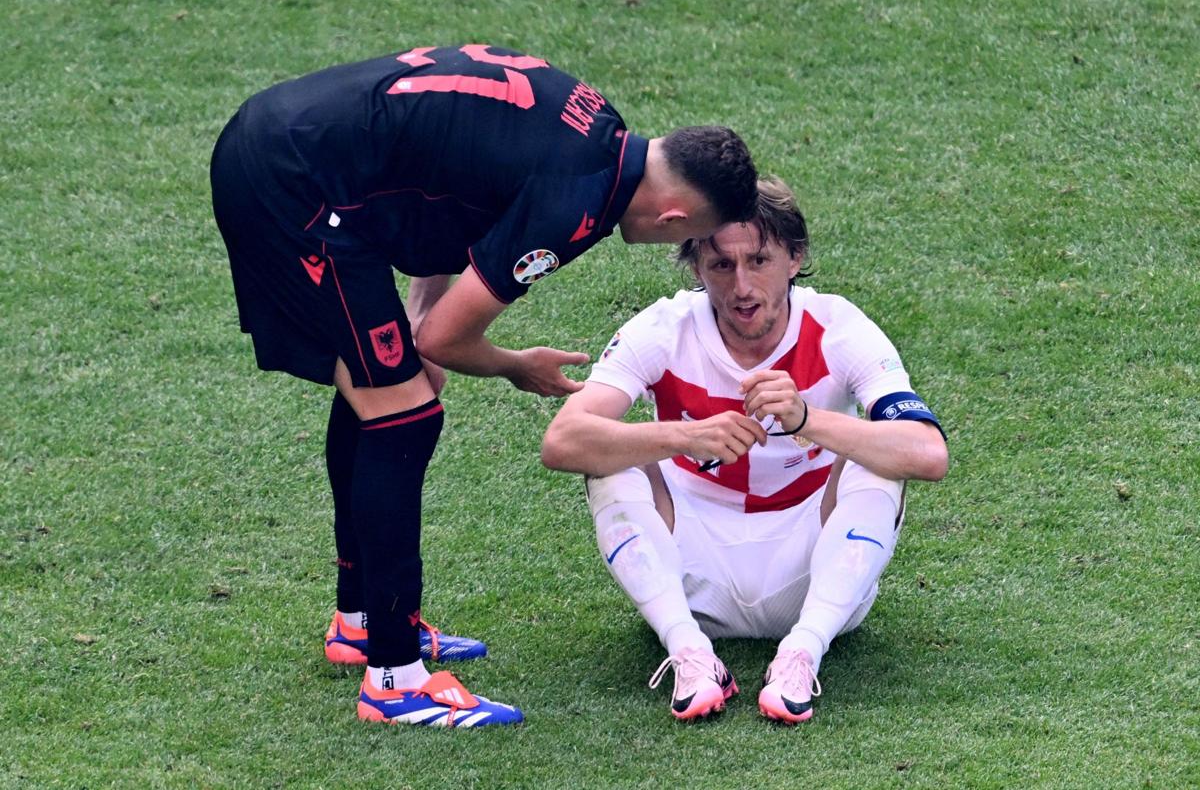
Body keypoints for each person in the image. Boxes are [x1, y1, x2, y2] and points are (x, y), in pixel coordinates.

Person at [209, 44, 758, 727]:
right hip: (294, 186)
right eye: (691, 241)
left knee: (382, 389)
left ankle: (361, 622)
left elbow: (442, 185)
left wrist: (419, 304)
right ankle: (395, 680)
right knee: (404, 414)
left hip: (293, 149)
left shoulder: (598, 127)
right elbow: (447, 340)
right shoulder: (577, 205)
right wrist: (514, 366)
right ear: (673, 219)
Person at [541, 176, 948, 723]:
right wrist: (685, 436)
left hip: (813, 573)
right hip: (691, 578)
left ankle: (802, 652)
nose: (742, 287)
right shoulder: (664, 328)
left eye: (759, 261)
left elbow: (928, 453)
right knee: (609, 457)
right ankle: (690, 654)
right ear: (696, 269)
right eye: (721, 266)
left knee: (880, 457)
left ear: (795, 258)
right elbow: (563, 441)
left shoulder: (838, 327)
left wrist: (807, 417)